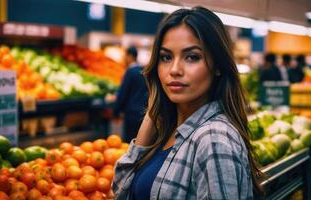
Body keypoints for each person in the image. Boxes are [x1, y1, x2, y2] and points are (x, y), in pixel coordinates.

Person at [112, 6, 263, 200]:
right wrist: (153, 110)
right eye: (166, 57)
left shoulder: (214, 140)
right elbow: (121, 190)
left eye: (192, 57)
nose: (174, 70)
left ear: (218, 65)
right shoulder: (169, 131)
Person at [113, 46, 148, 143]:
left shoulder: (130, 72)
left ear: (130, 56)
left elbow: (123, 93)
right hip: (143, 112)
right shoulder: (144, 71)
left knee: (129, 141)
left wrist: (116, 111)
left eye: (125, 56)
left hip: (131, 113)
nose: (124, 58)